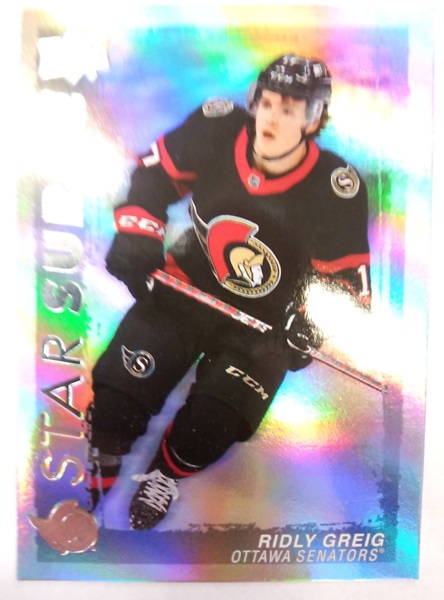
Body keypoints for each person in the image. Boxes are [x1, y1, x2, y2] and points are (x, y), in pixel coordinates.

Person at [86, 54, 371, 530]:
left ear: (313, 119)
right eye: (267, 102)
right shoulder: (217, 127)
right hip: (187, 284)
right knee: (118, 395)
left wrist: (313, 325)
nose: (271, 118)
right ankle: (105, 457)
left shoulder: (335, 187)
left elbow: (346, 284)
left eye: (289, 109)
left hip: (263, 325)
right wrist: (139, 232)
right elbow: (154, 173)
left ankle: (165, 473)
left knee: (216, 422)